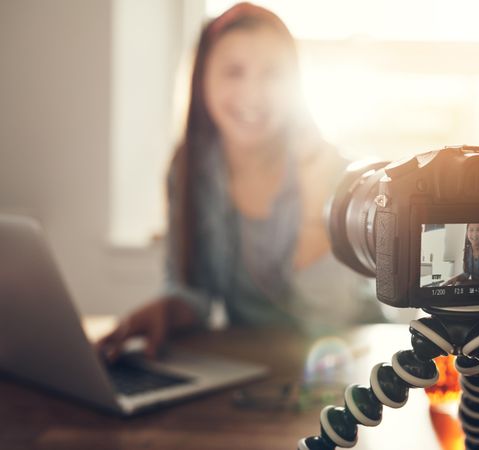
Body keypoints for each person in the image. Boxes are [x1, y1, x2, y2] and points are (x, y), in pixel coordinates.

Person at [97, 3, 382, 361]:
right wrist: (167, 310)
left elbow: (329, 318)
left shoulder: (337, 173)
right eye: (233, 72)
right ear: (202, 81)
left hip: (347, 363)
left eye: (272, 74)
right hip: (251, 369)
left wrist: (314, 202)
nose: (253, 92)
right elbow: (192, 291)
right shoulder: (190, 170)